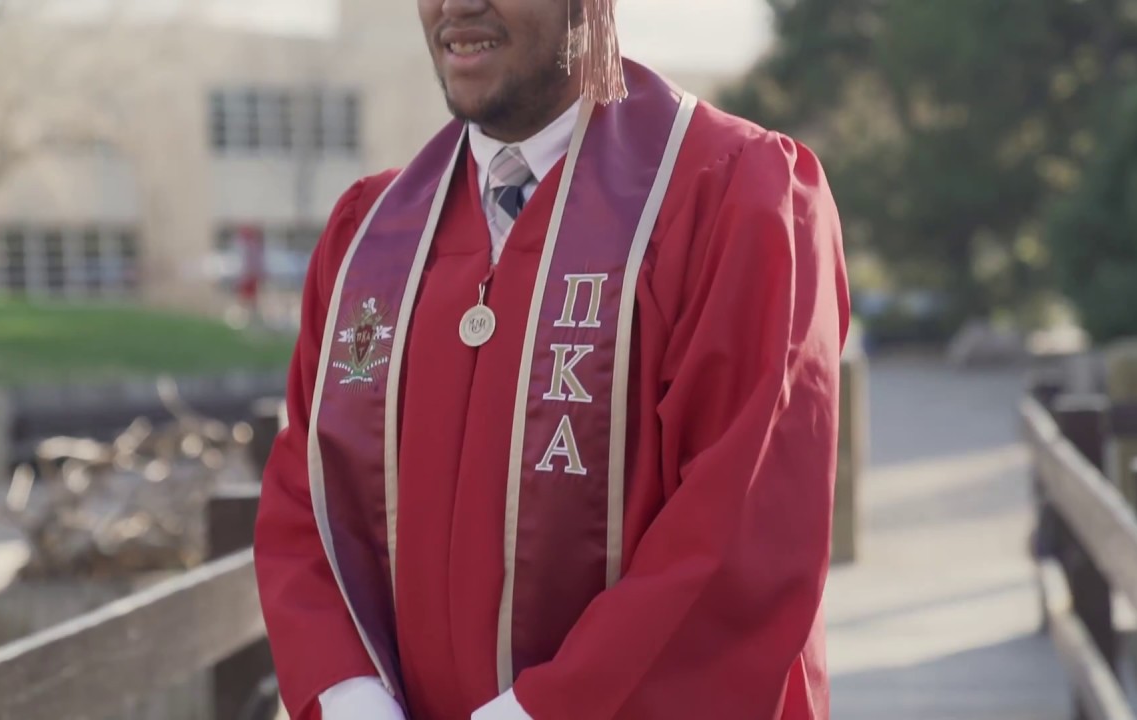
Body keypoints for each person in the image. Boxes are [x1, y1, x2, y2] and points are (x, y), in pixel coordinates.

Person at [253, 0, 850, 718]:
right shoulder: (369, 239)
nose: (456, 5)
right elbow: (306, 496)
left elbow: (745, 523)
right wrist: (349, 696)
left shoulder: (732, 197)